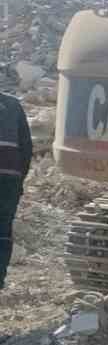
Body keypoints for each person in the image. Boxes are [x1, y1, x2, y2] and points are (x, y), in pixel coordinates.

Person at [0, 73, 33, 289]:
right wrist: (19, 180)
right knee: (2, 230)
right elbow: (26, 147)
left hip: (10, 180)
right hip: (10, 180)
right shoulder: (13, 104)